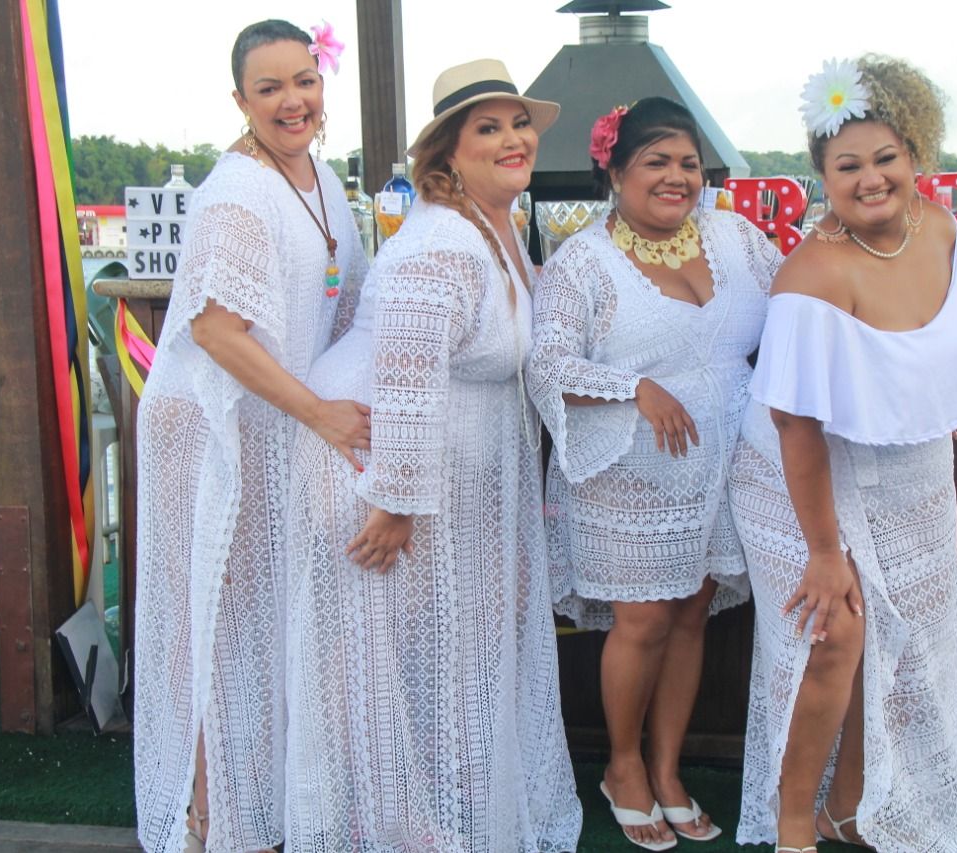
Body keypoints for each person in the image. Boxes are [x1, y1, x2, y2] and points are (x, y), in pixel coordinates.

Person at [729, 56, 957, 852]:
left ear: (915, 156)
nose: (870, 179)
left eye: (885, 158)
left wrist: (935, 407)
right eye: (847, 167)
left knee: (906, 638)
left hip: (907, 467)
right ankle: (794, 823)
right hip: (797, 483)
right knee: (834, 637)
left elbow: (939, 338)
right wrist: (824, 552)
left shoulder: (937, 226)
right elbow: (795, 424)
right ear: (820, 179)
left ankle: (851, 805)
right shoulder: (812, 274)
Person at [282, 59, 583, 851]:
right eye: (489, 127)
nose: (514, 138)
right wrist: (396, 504)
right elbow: (406, 377)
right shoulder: (442, 241)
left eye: (519, 123)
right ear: (447, 154)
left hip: (431, 466)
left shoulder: (496, 229)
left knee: (424, 648)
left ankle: (426, 816)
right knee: (378, 649)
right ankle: (383, 825)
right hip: (379, 466)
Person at [133, 19, 369, 853]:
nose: (291, 100)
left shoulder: (322, 177)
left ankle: (263, 803)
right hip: (211, 434)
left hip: (277, 422)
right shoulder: (235, 194)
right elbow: (217, 334)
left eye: (302, 80)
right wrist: (322, 414)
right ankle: (211, 819)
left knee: (268, 621)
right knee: (216, 626)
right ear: (240, 100)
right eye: (267, 88)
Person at [527, 97, 784, 850]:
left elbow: (804, 302)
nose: (677, 178)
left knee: (691, 612)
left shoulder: (736, 236)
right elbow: (545, 363)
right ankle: (625, 765)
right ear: (614, 171)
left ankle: (669, 769)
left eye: (688, 163)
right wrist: (632, 386)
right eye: (657, 162)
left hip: (725, 464)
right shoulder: (584, 262)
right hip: (630, 472)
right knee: (642, 619)